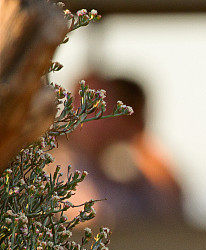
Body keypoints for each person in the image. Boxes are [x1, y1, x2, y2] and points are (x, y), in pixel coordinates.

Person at [56, 74, 182, 225]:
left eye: (100, 109)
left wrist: (138, 143)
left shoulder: (130, 166)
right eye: (85, 107)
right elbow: (79, 213)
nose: (85, 117)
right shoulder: (57, 161)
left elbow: (173, 205)